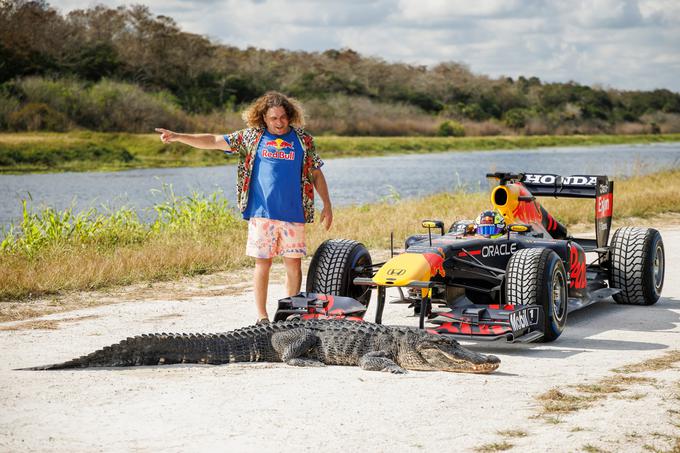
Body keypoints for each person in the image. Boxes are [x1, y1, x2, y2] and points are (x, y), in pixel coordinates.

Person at [155, 91, 332, 324]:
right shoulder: (251, 138)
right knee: (263, 263)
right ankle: (262, 316)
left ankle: (290, 315)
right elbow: (213, 141)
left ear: (289, 116)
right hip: (261, 214)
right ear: (263, 118)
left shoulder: (303, 140)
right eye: (273, 118)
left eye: (282, 117)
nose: (279, 122)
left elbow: (316, 173)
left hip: (293, 213)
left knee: (293, 264)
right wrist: (178, 136)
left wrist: (327, 205)